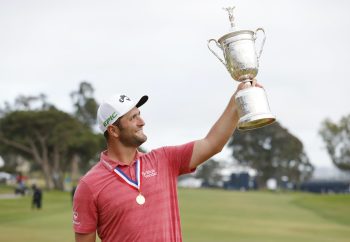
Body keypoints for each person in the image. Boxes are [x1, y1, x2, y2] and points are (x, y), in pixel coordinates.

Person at [73, 81, 261, 242]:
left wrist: (237, 102)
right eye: (133, 118)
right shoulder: (89, 186)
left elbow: (212, 144)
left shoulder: (163, 160)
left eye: (139, 114)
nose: (142, 121)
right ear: (113, 131)